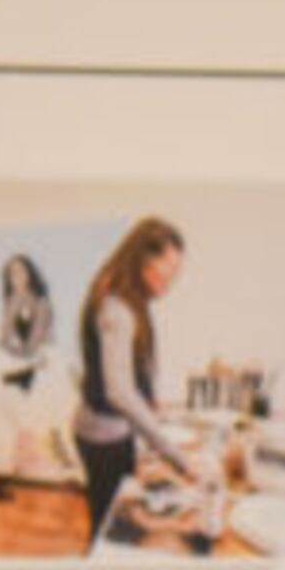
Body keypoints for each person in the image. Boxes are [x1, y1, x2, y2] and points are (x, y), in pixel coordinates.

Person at [73, 214, 212, 540]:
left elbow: (133, 365)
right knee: (110, 530)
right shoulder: (117, 307)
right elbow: (119, 392)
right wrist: (178, 459)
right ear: (145, 260)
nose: (171, 281)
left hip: (107, 430)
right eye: (168, 271)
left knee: (111, 520)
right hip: (102, 436)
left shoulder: (127, 295)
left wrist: (151, 402)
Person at [0, 249, 81, 487]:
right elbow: (5, 338)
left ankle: (53, 456)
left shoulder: (42, 306)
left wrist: (6, 351)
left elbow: (34, 345)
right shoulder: (10, 307)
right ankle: (3, 453)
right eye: (12, 274)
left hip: (40, 360)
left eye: (20, 271)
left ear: (29, 273)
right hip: (18, 362)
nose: (17, 277)